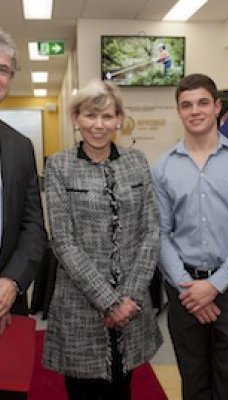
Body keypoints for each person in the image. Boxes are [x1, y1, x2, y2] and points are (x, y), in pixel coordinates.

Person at [43, 79, 162, 400]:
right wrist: (109, 301)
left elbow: (151, 230)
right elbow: (63, 241)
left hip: (132, 305)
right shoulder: (59, 166)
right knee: (82, 390)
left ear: (119, 120)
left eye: (107, 116)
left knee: (124, 388)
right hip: (81, 306)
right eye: (90, 116)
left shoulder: (136, 162)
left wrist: (129, 298)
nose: (98, 125)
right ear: (75, 118)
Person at [152, 73, 228, 400]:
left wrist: (214, 286)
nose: (195, 111)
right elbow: (160, 233)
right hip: (183, 288)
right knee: (193, 379)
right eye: (186, 105)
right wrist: (187, 287)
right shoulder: (162, 168)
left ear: (218, 106)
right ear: (178, 112)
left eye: (203, 102)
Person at [0, 29, 46, 400]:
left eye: (3, 69)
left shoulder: (20, 145)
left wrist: (13, 282)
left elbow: (33, 225)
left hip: (7, 301)